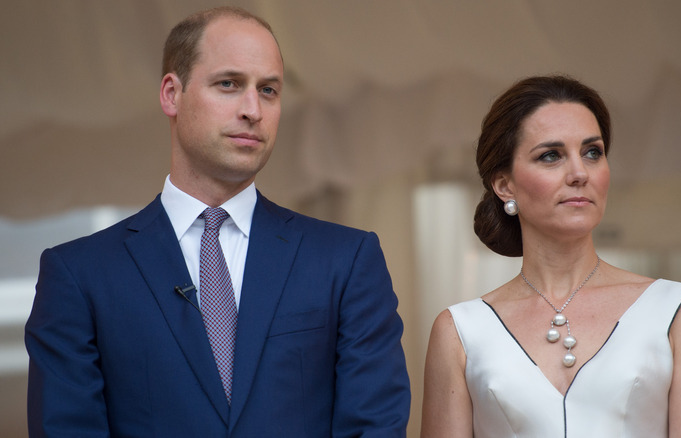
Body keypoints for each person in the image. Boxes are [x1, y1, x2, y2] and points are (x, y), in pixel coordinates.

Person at [25, 6, 410, 437]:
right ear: (172, 93)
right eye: (229, 84)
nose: (253, 109)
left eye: (268, 90)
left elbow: (375, 427)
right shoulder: (78, 274)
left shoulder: (347, 260)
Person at [420, 75, 681, 437]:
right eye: (551, 155)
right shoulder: (460, 331)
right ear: (505, 185)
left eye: (592, 152)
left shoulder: (676, 309)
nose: (580, 173)